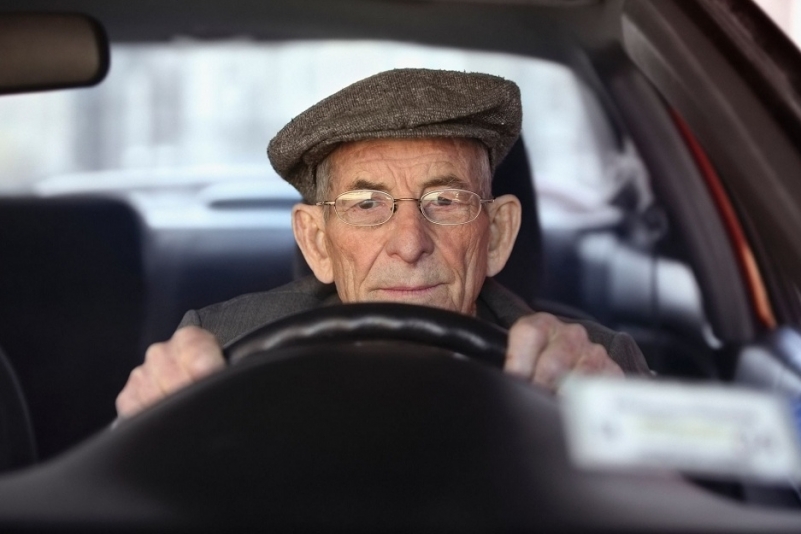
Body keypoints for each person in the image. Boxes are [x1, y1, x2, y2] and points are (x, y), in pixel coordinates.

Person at [116, 68, 649, 418]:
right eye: (366, 204)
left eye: (445, 200)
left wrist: (616, 418)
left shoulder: (591, 363)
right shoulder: (219, 348)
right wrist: (139, 431)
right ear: (317, 243)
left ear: (497, 234)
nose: (410, 244)